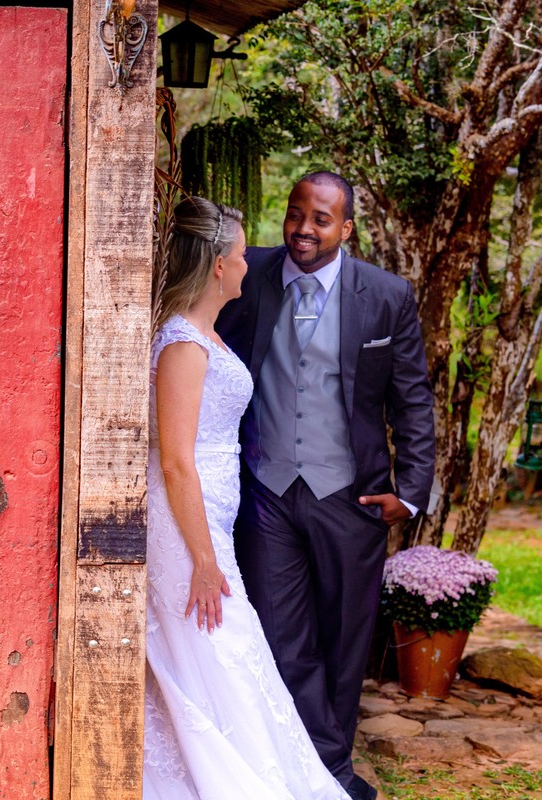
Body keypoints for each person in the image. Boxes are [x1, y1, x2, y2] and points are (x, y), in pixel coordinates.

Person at [216, 172, 436, 800]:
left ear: (346, 228)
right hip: (267, 490)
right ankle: (303, 768)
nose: (303, 230)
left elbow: (412, 400)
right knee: (281, 632)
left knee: (344, 638)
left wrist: (411, 489)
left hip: (351, 495)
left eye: (319, 219)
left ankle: (333, 772)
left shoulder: (386, 296)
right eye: (294, 215)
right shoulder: (246, 273)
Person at [144, 196, 350, 799]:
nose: (246, 264)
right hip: (186, 525)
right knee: (220, 643)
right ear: (216, 266)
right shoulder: (183, 343)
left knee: (216, 651)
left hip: (210, 517)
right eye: (238, 254)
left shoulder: (204, 333)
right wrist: (204, 561)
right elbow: (176, 459)